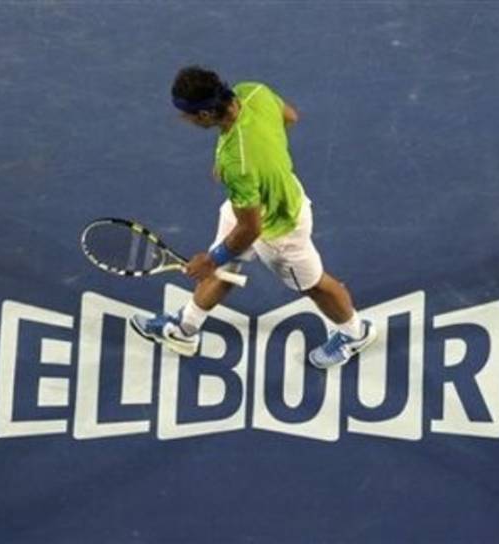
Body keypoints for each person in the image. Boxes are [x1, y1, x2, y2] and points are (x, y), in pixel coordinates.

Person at [130, 66, 376, 369]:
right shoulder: (253, 91)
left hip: (280, 228)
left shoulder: (238, 164)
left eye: (188, 115)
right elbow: (290, 117)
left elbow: (251, 228)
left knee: (314, 285)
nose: (185, 120)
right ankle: (185, 329)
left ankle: (354, 333)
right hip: (254, 202)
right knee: (226, 266)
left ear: (205, 114)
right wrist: (265, 158)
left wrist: (210, 260)